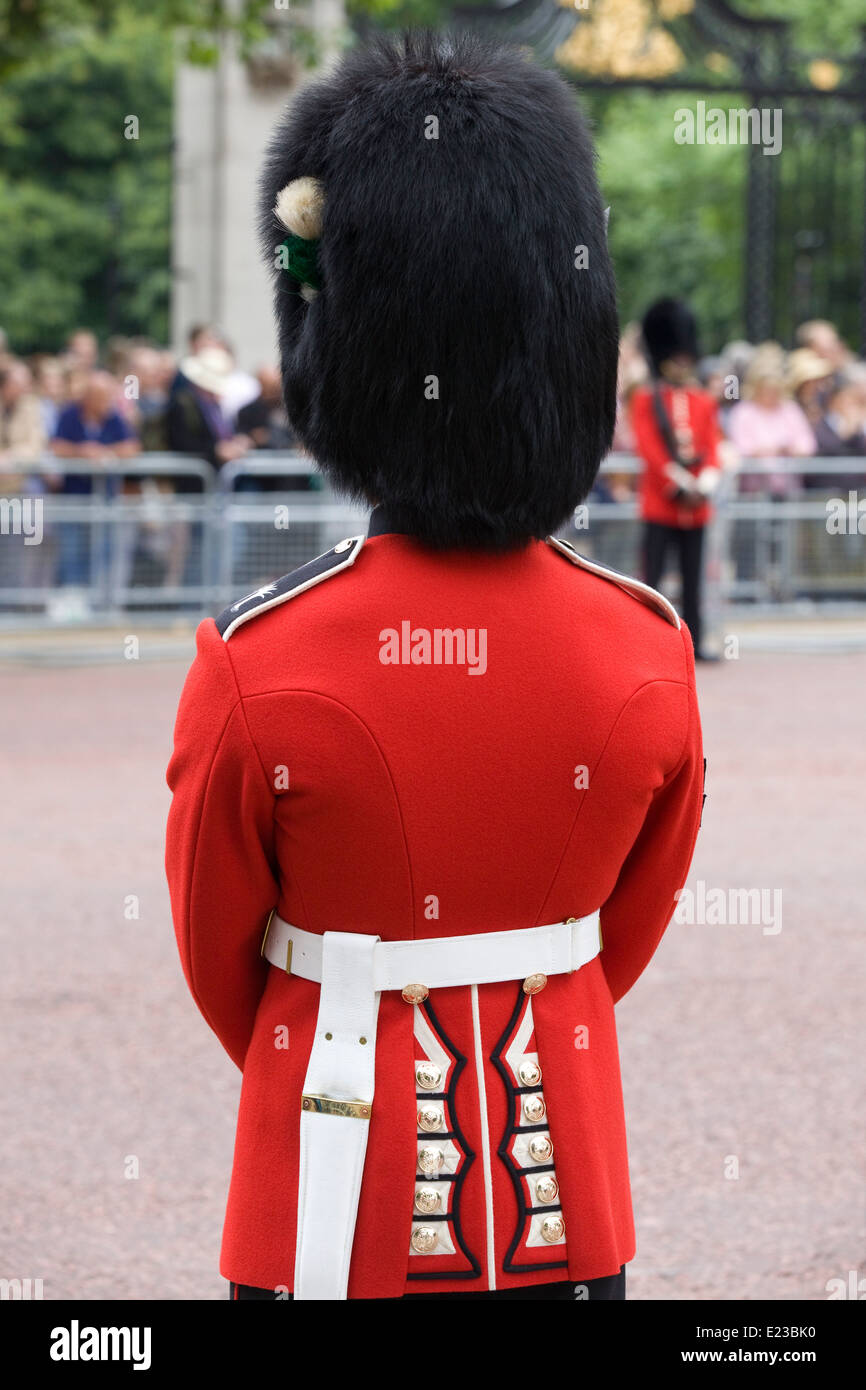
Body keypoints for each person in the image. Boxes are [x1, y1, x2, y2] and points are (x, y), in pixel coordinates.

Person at [165, 31, 705, 1303]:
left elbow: (217, 956)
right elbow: (613, 940)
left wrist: (340, 1005)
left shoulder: (260, 658)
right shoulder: (643, 646)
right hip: (562, 1191)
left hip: (325, 1191)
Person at [630, 298, 721, 659]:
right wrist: (678, 482)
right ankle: (647, 643)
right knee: (653, 580)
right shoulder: (646, 399)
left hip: (696, 506)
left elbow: (711, 445)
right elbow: (649, 449)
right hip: (661, 504)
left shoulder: (703, 401)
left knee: (693, 579)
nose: (683, 363)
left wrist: (706, 482)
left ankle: (695, 643)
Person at [49, 370, 139, 592]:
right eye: (102, 396)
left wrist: (103, 452)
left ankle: (100, 599)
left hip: (106, 499)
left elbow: (132, 447)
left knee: (104, 551)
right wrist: (82, 451)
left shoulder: (114, 416)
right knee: (72, 552)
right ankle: (73, 597)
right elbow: (56, 446)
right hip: (74, 499)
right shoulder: (70, 414)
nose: (107, 402)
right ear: (89, 397)